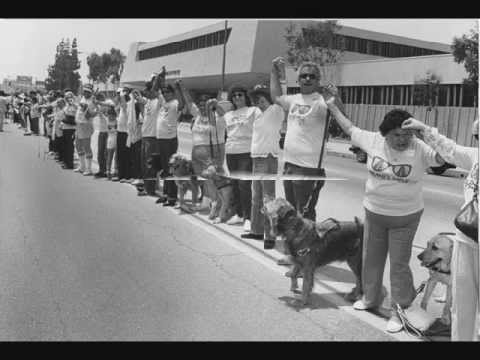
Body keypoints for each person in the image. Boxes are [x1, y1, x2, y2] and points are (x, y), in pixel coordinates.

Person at [324, 84, 445, 333]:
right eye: (396, 135)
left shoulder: (420, 148)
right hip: (374, 213)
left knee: (399, 264)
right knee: (371, 258)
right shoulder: (374, 140)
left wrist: (425, 131)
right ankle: (370, 297)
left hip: (405, 217)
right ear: (386, 134)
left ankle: (399, 311)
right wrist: (332, 106)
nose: (401, 140)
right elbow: (348, 127)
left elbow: (443, 158)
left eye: (406, 135)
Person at [402, 117, 479, 341]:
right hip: (465, 239)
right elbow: (450, 149)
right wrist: (424, 130)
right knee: (462, 306)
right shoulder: (476, 157)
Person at [270, 58, 343, 266]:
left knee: (305, 216)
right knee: (291, 214)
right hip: (290, 165)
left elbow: (341, 116)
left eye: (312, 76)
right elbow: (275, 96)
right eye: (304, 75)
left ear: (318, 80)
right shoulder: (293, 99)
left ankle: (308, 258)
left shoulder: (322, 101)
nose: (308, 78)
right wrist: (273, 71)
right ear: (299, 79)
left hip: (310, 168)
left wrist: (336, 99)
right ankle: (295, 254)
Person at [240, 85, 285, 250]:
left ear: (269, 98)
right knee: (256, 196)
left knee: (268, 199)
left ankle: (270, 235)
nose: (259, 102)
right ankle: (256, 230)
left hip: (268, 158)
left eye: (262, 99)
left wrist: (278, 74)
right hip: (256, 158)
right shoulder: (258, 113)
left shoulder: (275, 110)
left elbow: (280, 94)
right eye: (256, 99)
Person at [176, 82, 227, 210]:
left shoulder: (216, 117)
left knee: (213, 179)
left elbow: (223, 114)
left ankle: (217, 203)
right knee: (205, 179)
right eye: (200, 104)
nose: (202, 107)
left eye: (206, 105)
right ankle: (208, 201)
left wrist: (216, 105)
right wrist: (182, 87)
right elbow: (188, 101)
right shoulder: (197, 116)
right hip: (197, 153)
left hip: (212, 152)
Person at [222, 85, 262, 231]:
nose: (237, 97)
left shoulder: (253, 110)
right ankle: (238, 214)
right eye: (234, 95)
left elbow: (261, 127)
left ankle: (248, 218)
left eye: (240, 94)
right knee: (234, 184)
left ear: (245, 97)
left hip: (246, 152)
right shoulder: (228, 115)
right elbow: (226, 134)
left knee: (244, 185)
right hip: (231, 152)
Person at [155, 81, 185, 207]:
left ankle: (172, 197)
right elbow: (155, 89)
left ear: (172, 93)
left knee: (171, 169)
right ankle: (166, 194)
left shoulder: (175, 102)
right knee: (164, 169)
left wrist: (179, 88)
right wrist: (158, 79)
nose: (165, 94)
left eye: (168, 92)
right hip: (161, 139)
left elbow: (183, 104)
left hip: (169, 140)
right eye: (164, 92)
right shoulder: (164, 103)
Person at [136, 71, 164, 196]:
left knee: (150, 165)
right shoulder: (148, 101)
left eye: (152, 85)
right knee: (145, 164)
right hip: (145, 136)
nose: (150, 87)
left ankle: (150, 189)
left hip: (153, 138)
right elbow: (141, 100)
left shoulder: (159, 100)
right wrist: (137, 96)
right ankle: (148, 186)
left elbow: (156, 87)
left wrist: (158, 78)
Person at [74, 84, 98, 175]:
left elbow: (91, 115)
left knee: (86, 146)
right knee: (78, 145)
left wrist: (85, 109)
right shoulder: (82, 98)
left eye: (87, 91)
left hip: (86, 125)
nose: (85, 92)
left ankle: (88, 169)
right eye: (84, 91)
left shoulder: (93, 101)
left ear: (91, 92)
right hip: (79, 124)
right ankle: (82, 166)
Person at [115, 87, 132, 182]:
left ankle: (126, 175)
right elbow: (115, 106)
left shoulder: (128, 105)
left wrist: (121, 95)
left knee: (126, 155)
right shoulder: (121, 106)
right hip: (120, 132)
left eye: (122, 96)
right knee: (120, 154)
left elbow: (124, 105)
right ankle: (120, 175)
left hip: (126, 133)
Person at [93, 93, 109, 178]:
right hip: (102, 131)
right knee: (100, 152)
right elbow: (95, 113)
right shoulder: (99, 106)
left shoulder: (108, 102)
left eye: (99, 98)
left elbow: (105, 116)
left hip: (108, 131)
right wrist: (95, 105)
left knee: (106, 152)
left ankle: (106, 170)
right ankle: (101, 170)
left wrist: (98, 104)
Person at [62, 91, 77, 170]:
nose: (68, 99)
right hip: (65, 127)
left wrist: (73, 104)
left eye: (69, 97)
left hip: (71, 128)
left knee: (70, 146)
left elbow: (76, 114)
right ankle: (66, 162)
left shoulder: (75, 106)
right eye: (67, 97)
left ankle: (70, 163)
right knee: (65, 146)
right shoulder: (66, 106)